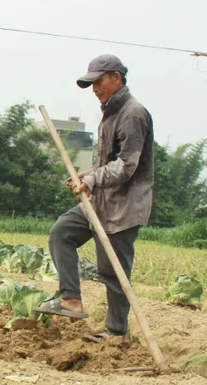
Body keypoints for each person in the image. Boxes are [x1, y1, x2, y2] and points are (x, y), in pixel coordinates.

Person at [35, 54, 154, 343]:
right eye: (91, 83)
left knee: (112, 271)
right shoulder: (110, 112)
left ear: (117, 77)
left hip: (124, 205)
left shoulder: (132, 113)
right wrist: (86, 174)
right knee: (62, 232)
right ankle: (71, 300)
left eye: (98, 82)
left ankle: (116, 332)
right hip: (101, 201)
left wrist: (92, 179)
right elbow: (108, 162)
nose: (94, 89)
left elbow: (127, 164)